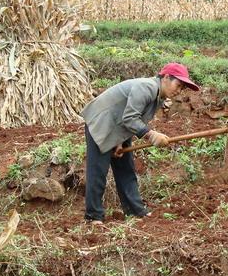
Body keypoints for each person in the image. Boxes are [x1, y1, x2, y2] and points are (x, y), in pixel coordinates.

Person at [81, 62, 200, 224]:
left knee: (126, 169)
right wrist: (150, 135)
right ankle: (93, 216)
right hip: (100, 122)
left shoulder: (158, 96)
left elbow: (129, 117)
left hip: (118, 126)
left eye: (181, 88)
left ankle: (135, 210)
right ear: (166, 78)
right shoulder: (147, 87)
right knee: (98, 170)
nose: (178, 91)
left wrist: (120, 141)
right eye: (178, 85)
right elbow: (130, 118)